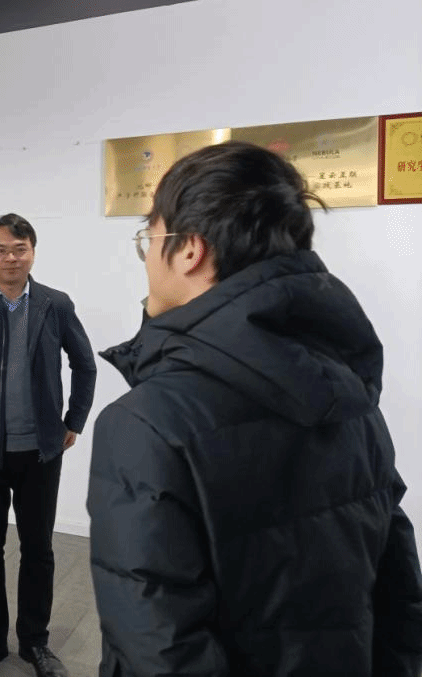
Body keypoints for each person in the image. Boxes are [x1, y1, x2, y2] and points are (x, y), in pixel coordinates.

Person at [87, 141, 422, 677]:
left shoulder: (145, 424)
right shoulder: (350, 395)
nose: (147, 258)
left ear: (190, 250)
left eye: (149, 238)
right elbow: (400, 593)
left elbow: (160, 647)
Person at [0, 213, 97, 677]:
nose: (11, 258)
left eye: (19, 249)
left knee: (38, 549)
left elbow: (85, 364)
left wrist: (74, 420)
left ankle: (35, 641)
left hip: (40, 452)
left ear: (32, 252)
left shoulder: (55, 304)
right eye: (1, 250)